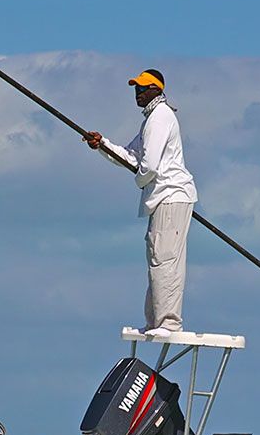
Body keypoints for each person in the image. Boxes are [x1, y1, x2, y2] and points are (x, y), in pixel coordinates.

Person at [82, 68, 198, 336]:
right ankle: (156, 322)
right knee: (157, 258)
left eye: (144, 88)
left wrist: (140, 181)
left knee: (165, 259)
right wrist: (102, 145)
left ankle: (169, 323)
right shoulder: (150, 120)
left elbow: (149, 167)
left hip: (170, 195)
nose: (138, 93)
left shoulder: (160, 117)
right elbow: (131, 156)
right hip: (162, 198)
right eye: (136, 88)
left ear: (157, 90)